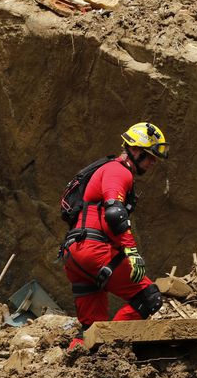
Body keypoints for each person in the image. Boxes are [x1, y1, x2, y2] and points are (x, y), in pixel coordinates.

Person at [61, 122, 167, 350]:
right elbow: (114, 212)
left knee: (92, 329)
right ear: (135, 150)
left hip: (74, 255)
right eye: (150, 156)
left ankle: (80, 361)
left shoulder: (108, 169)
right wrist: (132, 252)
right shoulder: (118, 171)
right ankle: (114, 349)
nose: (153, 162)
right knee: (148, 297)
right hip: (93, 250)